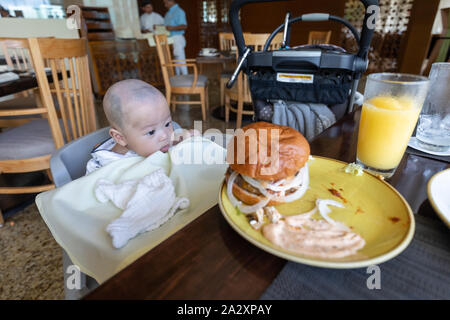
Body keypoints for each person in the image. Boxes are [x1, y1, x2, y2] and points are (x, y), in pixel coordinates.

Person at [86, 79, 183, 174]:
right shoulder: (103, 171)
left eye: (167, 124)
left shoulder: (153, 145)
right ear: (120, 138)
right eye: (151, 132)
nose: (165, 136)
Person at [163, 0, 188, 75]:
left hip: (177, 37)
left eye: (166, 3)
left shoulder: (179, 11)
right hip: (169, 39)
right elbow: (166, 27)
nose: (165, 5)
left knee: (181, 60)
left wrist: (172, 28)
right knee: (176, 61)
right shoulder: (168, 13)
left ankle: (186, 78)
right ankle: (178, 79)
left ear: (171, 1)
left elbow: (184, 26)